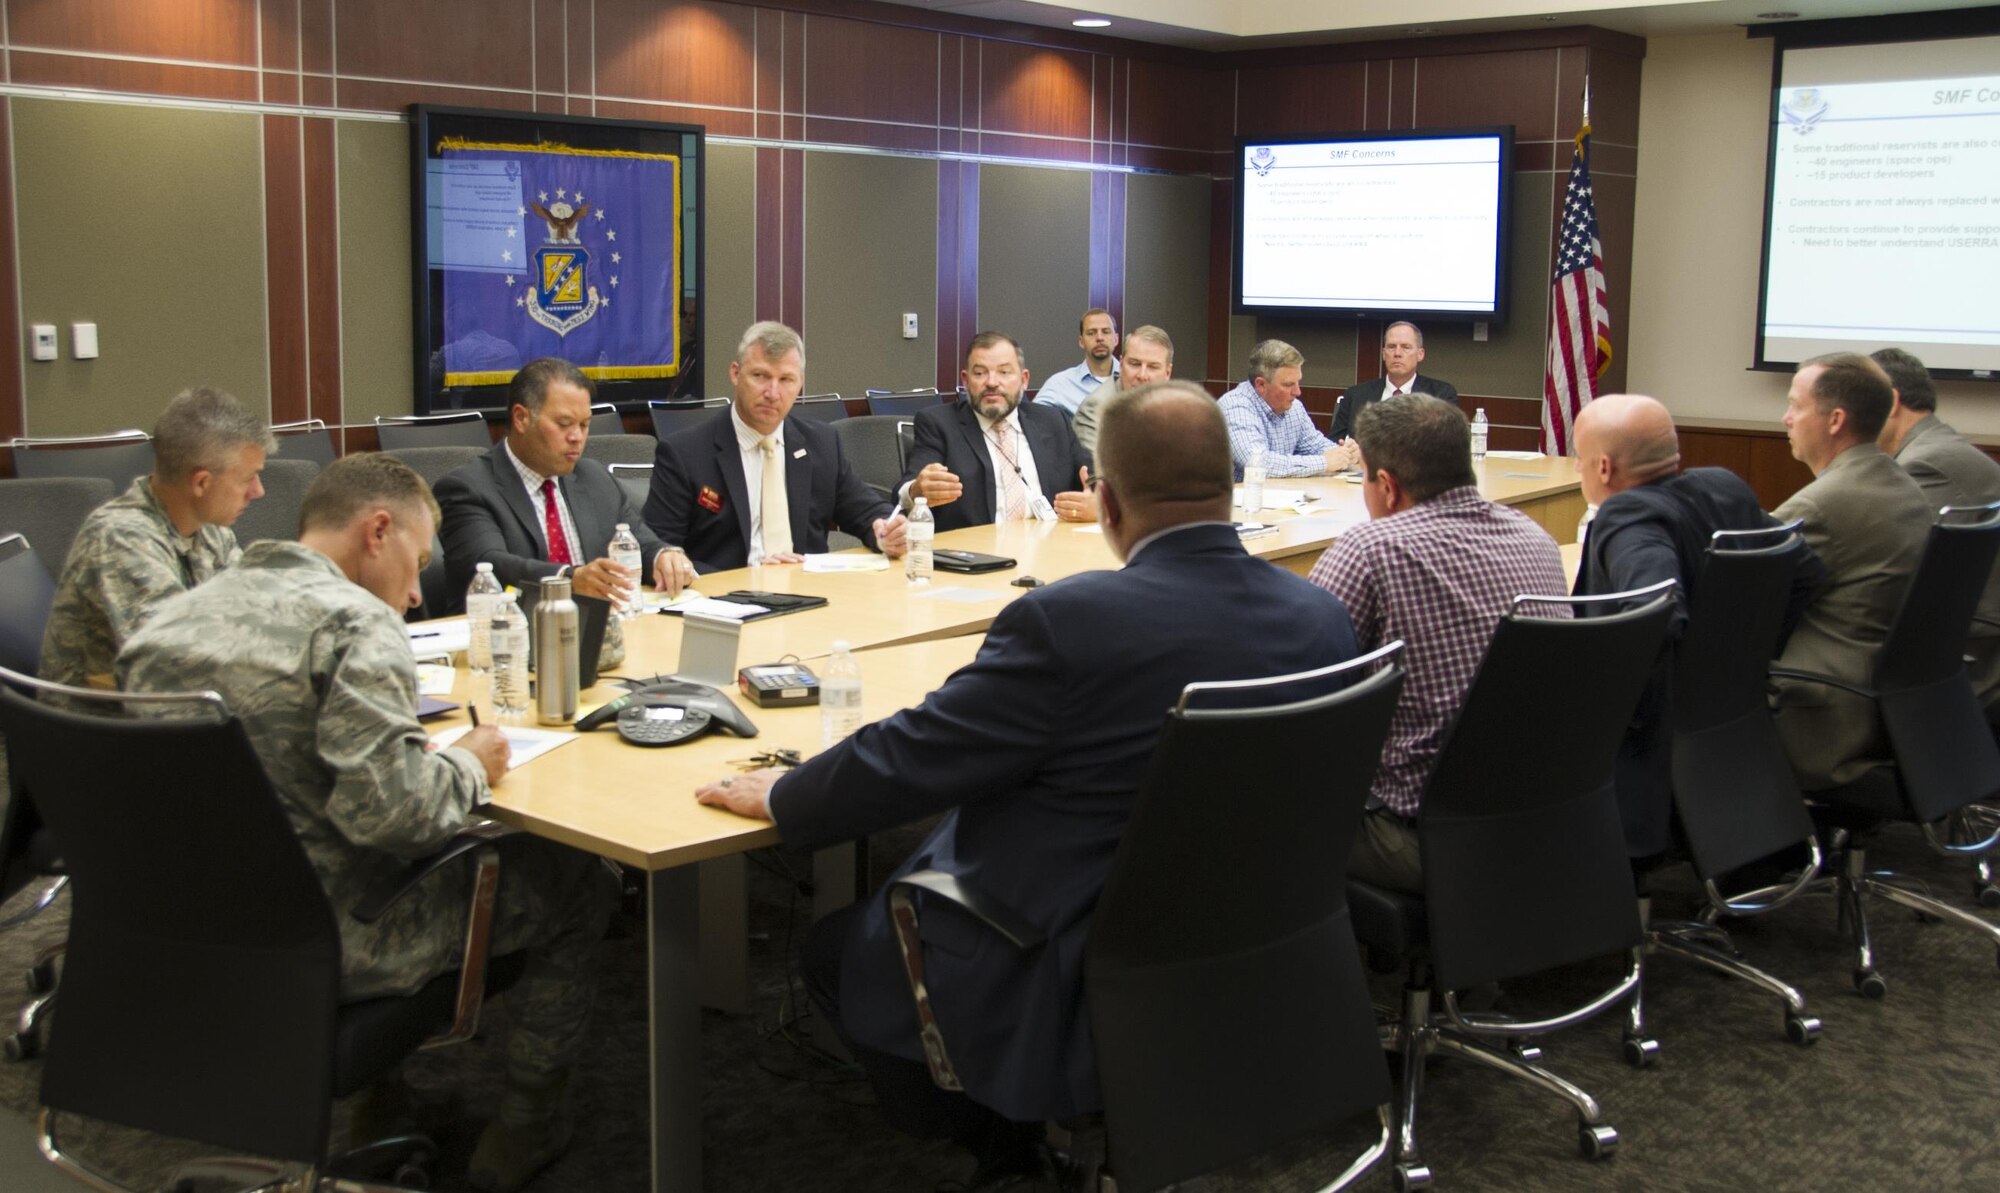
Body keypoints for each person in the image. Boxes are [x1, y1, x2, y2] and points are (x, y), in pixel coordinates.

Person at [696, 381, 1358, 1191]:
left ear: (1106, 502)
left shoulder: (1068, 624)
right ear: (1229, 487)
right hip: (1262, 936)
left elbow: (916, 756)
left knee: (838, 950)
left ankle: (1004, 1147)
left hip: (1077, 957)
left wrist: (784, 794)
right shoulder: (1321, 617)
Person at [118, 454, 617, 1193]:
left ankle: (384, 1095)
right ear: (376, 530)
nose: (417, 592)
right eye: (417, 563)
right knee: (579, 880)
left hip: (175, 924)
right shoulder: (355, 624)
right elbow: (401, 818)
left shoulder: (173, 614)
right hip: (328, 937)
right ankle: (528, 1120)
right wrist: (475, 761)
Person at [1307, 394, 1567, 893]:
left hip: (1417, 835)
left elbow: (1305, 683)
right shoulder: (1534, 535)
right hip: (1541, 816)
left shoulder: (1370, 549)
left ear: (1386, 486)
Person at [1571, 394, 1825, 857]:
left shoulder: (1627, 515)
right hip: (1733, 718)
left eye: (1579, 460)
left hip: (1642, 738)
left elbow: (1656, 614)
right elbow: (1805, 570)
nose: (1577, 471)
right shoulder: (1722, 486)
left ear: (1604, 468)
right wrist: (1744, 661)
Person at [436, 357, 694, 668]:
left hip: (598, 647)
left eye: (584, 425)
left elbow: (639, 538)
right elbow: (491, 563)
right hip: (508, 655)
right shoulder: (468, 487)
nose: (577, 437)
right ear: (521, 418)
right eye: (563, 424)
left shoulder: (593, 477)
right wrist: (568, 580)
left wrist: (663, 556)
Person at [40, 386, 270, 698]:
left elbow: (255, 613)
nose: (258, 492)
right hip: (102, 730)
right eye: (247, 479)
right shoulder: (120, 537)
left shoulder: (211, 531)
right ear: (201, 482)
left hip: (172, 710)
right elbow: (178, 658)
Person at [1770, 353, 1933, 790]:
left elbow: (1736, 603)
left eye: (1795, 405)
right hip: (1895, 711)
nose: (1785, 419)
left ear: (1835, 419)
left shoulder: (1819, 506)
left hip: (1822, 718)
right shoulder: (1905, 486)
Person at [643, 322, 906, 572]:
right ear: (735, 373)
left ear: (800, 383)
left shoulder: (822, 443)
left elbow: (867, 510)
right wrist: (751, 576)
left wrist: (886, 532)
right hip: (726, 603)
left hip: (809, 599)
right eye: (760, 376)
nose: (772, 392)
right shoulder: (684, 452)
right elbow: (658, 549)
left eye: (786, 380)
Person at [1873, 346, 2000, 717]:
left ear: (1891, 401)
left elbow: (1889, 567)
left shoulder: (1926, 464)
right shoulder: (1945, 447)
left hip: (1974, 660)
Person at [902, 332, 1097, 533]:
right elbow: (906, 491)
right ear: (966, 380)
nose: (992, 382)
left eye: (1004, 372)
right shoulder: (938, 424)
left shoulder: (1052, 421)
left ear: (1024, 380)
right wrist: (915, 491)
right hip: (976, 554)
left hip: (1051, 549)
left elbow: (1096, 481)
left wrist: (1099, 505)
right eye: (980, 373)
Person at [1217, 339, 1342, 480]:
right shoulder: (1236, 407)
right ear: (1261, 384)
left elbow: (1315, 444)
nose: (1298, 392)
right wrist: (1324, 463)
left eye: (1298, 382)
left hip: (1278, 497)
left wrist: (1344, 454)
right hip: (1237, 499)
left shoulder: (1294, 408)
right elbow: (1258, 464)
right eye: (1288, 384)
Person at [1327, 321, 1460, 447]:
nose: (1397, 353)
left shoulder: (1440, 395)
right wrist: (1348, 451)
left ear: (1420, 354)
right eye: (1391, 347)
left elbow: (1447, 445)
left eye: (1405, 347)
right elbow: (1333, 443)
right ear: (1384, 354)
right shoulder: (1356, 395)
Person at [1070, 324, 1173, 454]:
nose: (1142, 375)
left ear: (1167, 373)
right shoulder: (1096, 410)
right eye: (1135, 364)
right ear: (1121, 364)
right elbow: (1099, 472)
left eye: (1152, 367)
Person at [1031, 308, 1119, 417]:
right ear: (1081, 342)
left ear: (1116, 339)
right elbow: (1032, 420)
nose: (1099, 338)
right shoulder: (1060, 384)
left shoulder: (1136, 378)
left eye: (1106, 332)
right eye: (1091, 333)